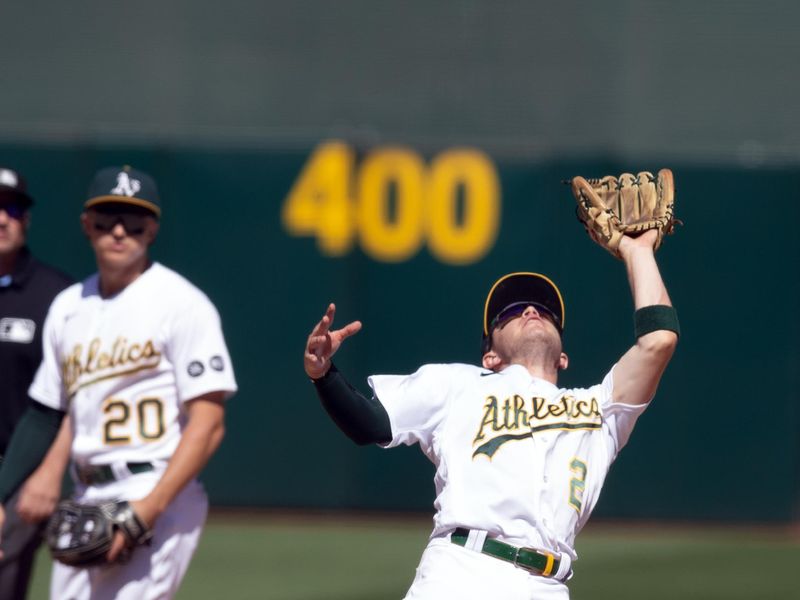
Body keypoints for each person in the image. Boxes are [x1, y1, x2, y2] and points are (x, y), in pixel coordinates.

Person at [303, 229, 678, 599]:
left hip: (549, 587)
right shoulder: (458, 383)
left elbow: (659, 341)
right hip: (462, 573)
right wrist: (324, 374)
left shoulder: (601, 409)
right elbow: (370, 424)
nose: (532, 311)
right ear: (490, 356)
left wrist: (637, 249)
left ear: (563, 356)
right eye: (512, 312)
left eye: (546, 312)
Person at [0, 165, 237, 600]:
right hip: (86, 493)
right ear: (88, 226)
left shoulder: (182, 304)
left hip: (156, 488)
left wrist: (150, 509)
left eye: (135, 219)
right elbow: (45, 413)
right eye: (108, 217)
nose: (120, 230)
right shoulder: (69, 307)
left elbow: (209, 423)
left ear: (153, 229)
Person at [0, 167, 73, 600]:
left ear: (26, 218)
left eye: (12, 207)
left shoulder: (57, 297)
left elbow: (76, 395)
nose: (2, 218)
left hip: (24, 470)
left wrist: (47, 472)